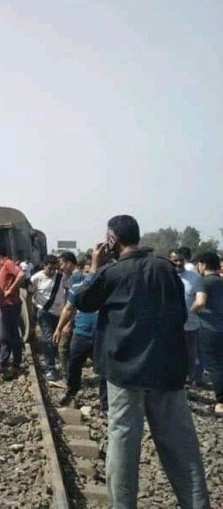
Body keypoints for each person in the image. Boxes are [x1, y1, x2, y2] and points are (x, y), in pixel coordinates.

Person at [73, 215, 209, 508]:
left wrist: (94, 266)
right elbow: (180, 315)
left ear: (112, 240)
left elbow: (83, 301)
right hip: (167, 371)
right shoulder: (165, 268)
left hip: (125, 373)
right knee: (182, 447)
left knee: (123, 444)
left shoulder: (110, 273)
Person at [54, 265, 108, 414]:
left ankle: (105, 404)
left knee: (104, 370)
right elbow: (68, 309)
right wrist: (59, 328)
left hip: (101, 334)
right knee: (74, 364)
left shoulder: (105, 288)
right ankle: (71, 392)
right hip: (81, 334)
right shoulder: (77, 287)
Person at [191, 251, 223, 416]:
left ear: (202, 265)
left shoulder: (203, 281)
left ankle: (220, 402)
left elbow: (200, 301)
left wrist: (192, 311)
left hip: (209, 329)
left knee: (214, 366)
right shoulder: (221, 280)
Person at [169, 248, 202, 387]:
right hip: (170, 326)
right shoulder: (165, 276)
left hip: (190, 325)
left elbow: (200, 298)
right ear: (169, 261)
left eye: (180, 260)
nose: (178, 263)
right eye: (175, 260)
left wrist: (192, 311)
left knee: (190, 356)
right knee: (172, 355)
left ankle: (190, 381)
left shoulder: (195, 277)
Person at [30, 255, 67, 380]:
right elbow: (29, 294)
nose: (52, 271)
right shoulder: (36, 278)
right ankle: (51, 369)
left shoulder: (61, 276)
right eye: (50, 268)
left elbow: (67, 289)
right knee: (48, 339)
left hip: (60, 313)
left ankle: (61, 363)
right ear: (44, 266)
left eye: (54, 269)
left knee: (59, 339)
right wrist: (30, 313)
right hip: (45, 312)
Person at [0, 245, 23, 373]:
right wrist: (0, 306)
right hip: (6, 305)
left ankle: (12, 363)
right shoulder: (2, 266)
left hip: (11, 304)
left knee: (9, 335)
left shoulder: (8, 263)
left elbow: (21, 274)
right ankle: (8, 362)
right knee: (7, 335)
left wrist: (11, 290)